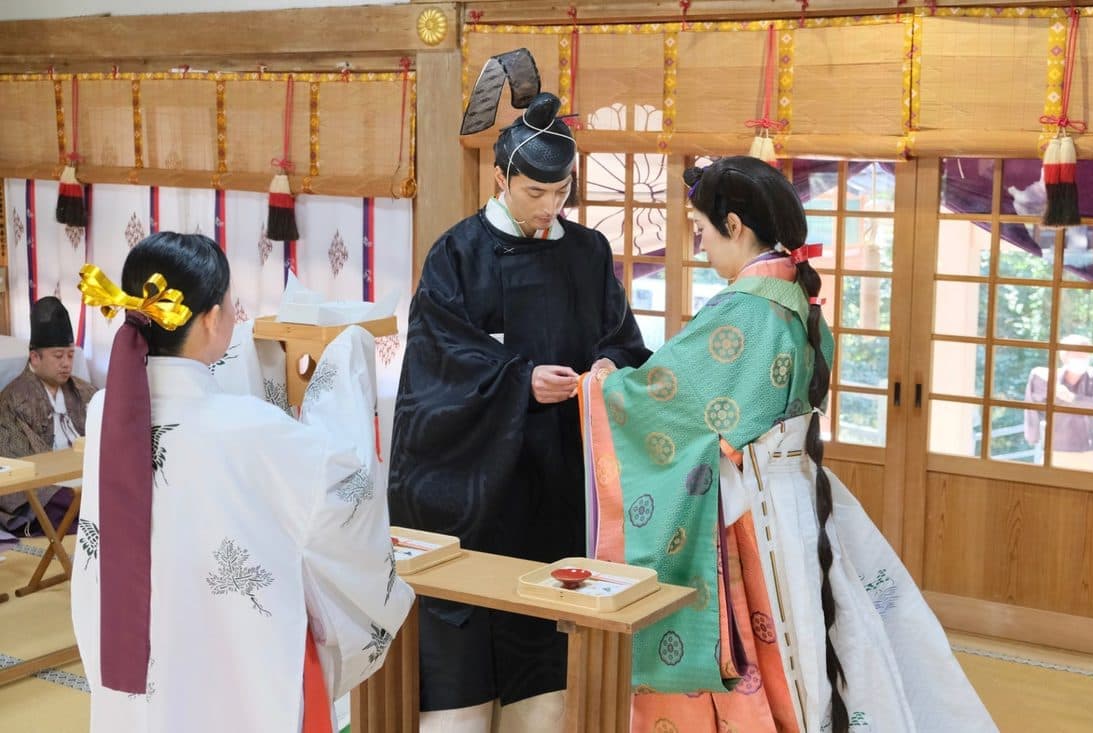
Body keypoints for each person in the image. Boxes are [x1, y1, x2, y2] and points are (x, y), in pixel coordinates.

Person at [579, 157, 996, 732]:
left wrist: (599, 384)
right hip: (796, 496)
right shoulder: (795, 301)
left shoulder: (746, 312)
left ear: (733, 225)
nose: (701, 245)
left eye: (701, 230)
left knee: (774, 651)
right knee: (811, 645)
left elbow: (667, 397)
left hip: (753, 510)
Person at [387, 54, 650, 732]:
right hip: (474, 484)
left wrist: (606, 369)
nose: (549, 207)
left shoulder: (588, 253)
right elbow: (435, 366)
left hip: (557, 484)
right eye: (535, 192)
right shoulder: (457, 254)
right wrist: (519, 380)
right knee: (464, 657)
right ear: (501, 178)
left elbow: (624, 342)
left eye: (561, 192)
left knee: (545, 673)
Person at [71, 232, 413, 732]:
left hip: (139, 645)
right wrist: (346, 361)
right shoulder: (250, 429)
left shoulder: (107, 411)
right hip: (227, 653)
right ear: (212, 318)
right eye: (232, 305)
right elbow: (345, 484)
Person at [0, 296, 97, 534]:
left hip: (85, 475)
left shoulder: (85, 391)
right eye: (58, 356)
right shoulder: (12, 400)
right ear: (35, 357)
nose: (66, 364)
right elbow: (20, 466)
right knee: (78, 505)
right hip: (47, 488)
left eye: (70, 356)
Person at [1025, 335, 1093, 471]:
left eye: (1085, 354)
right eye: (1077, 354)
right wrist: (1032, 436)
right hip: (1055, 449)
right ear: (1065, 356)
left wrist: (1071, 398)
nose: (1082, 357)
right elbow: (1032, 406)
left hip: (1087, 451)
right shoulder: (1046, 378)